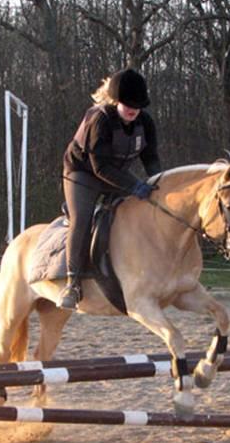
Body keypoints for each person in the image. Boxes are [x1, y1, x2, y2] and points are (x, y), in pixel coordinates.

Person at [57, 68, 162, 309]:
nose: (133, 109)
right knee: (82, 220)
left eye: (137, 104)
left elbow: (151, 158)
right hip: (82, 174)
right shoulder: (100, 119)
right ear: (116, 101)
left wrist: (157, 182)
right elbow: (100, 168)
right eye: (127, 103)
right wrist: (134, 185)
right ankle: (72, 283)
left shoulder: (145, 122)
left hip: (117, 174)